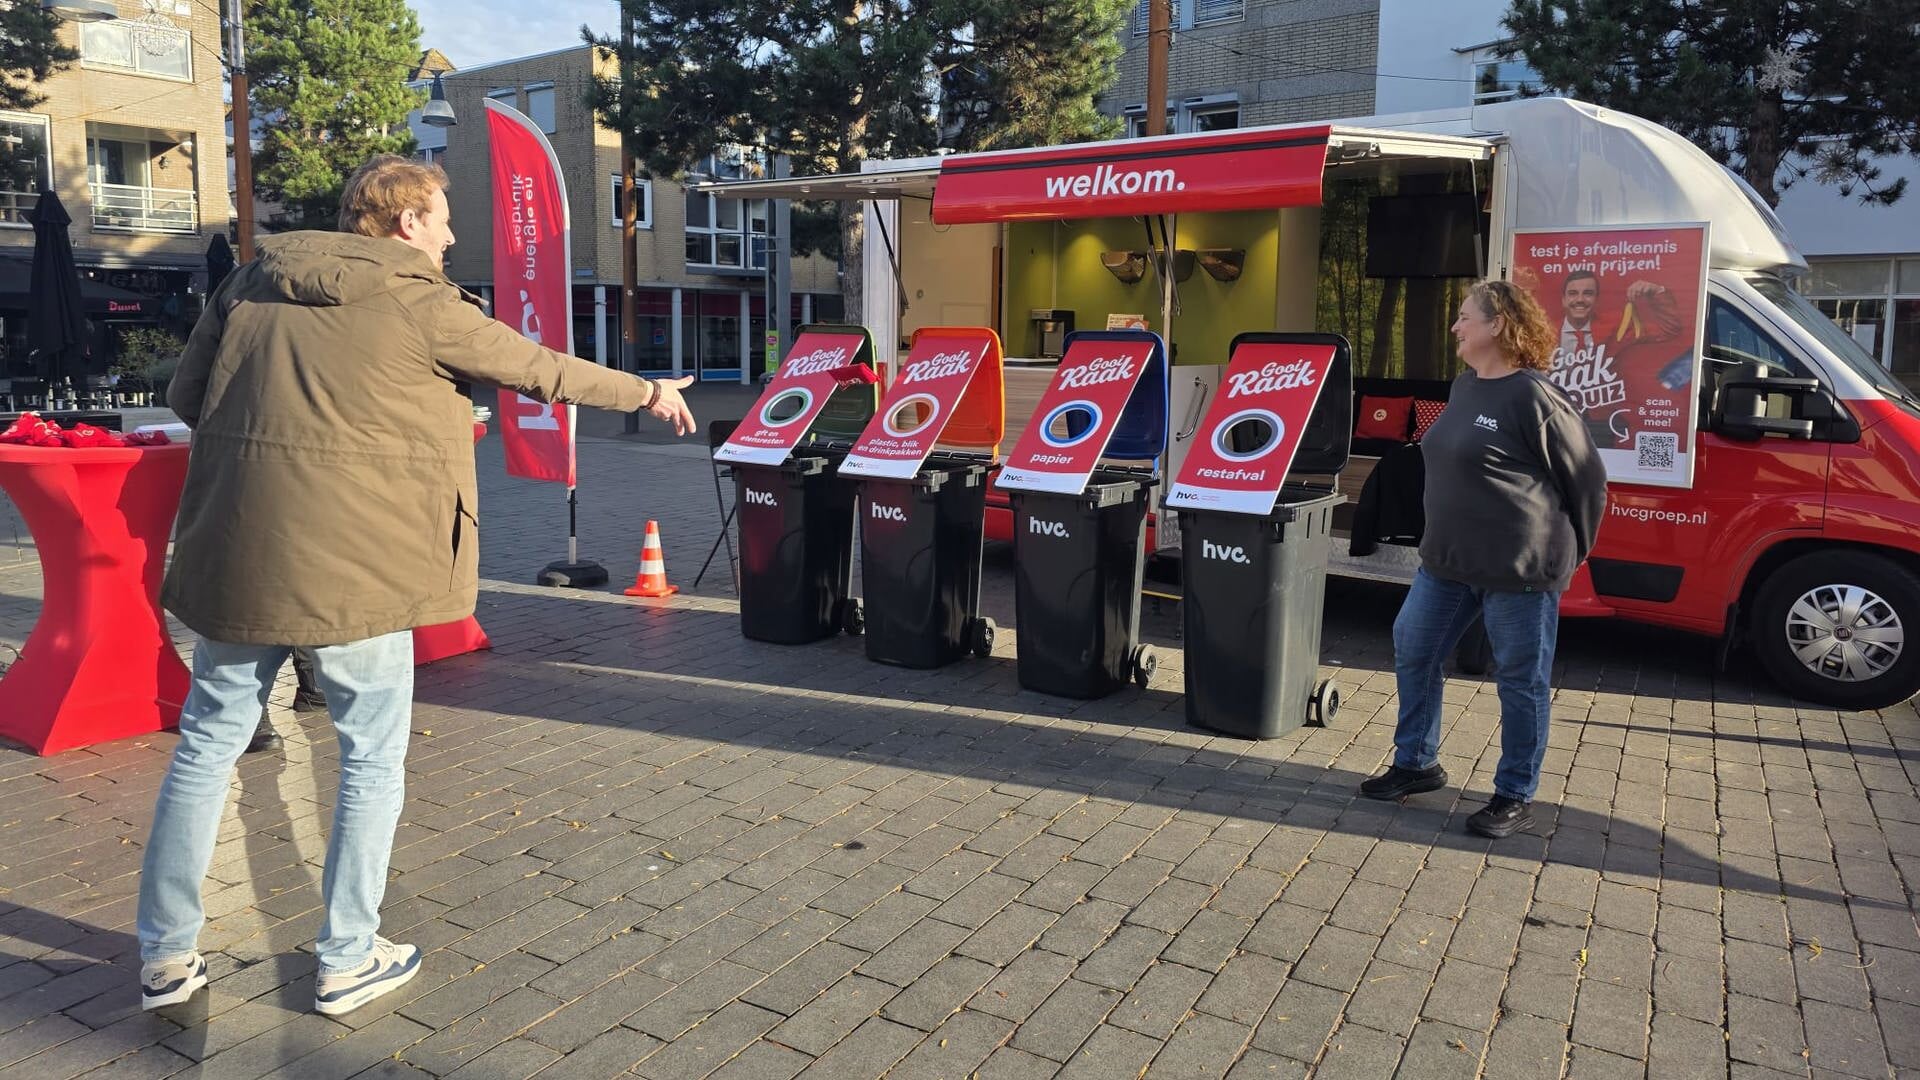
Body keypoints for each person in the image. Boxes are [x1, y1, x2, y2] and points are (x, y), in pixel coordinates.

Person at [136, 155, 695, 1016]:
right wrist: (646, 390)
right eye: (441, 218)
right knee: (368, 758)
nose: (451, 235)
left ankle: (165, 957)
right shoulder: (417, 298)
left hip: (239, 552)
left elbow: (188, 397)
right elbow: (538, 368)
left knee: (207, 747)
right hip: (362, 564)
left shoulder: (248, 282)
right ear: (406, 223)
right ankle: (346, 958)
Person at [1360, 279, 1607, 839]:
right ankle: (1416, 764)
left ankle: (1514, 794)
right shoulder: (1465, 385)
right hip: (1447, 563)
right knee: (1414, 648)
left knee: (1520, 681)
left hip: (1518, 570)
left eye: (1465, 317)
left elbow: (1588, 483)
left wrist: (1569, 555)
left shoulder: (1535, 397)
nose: (1455, 326)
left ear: (1497, 325)